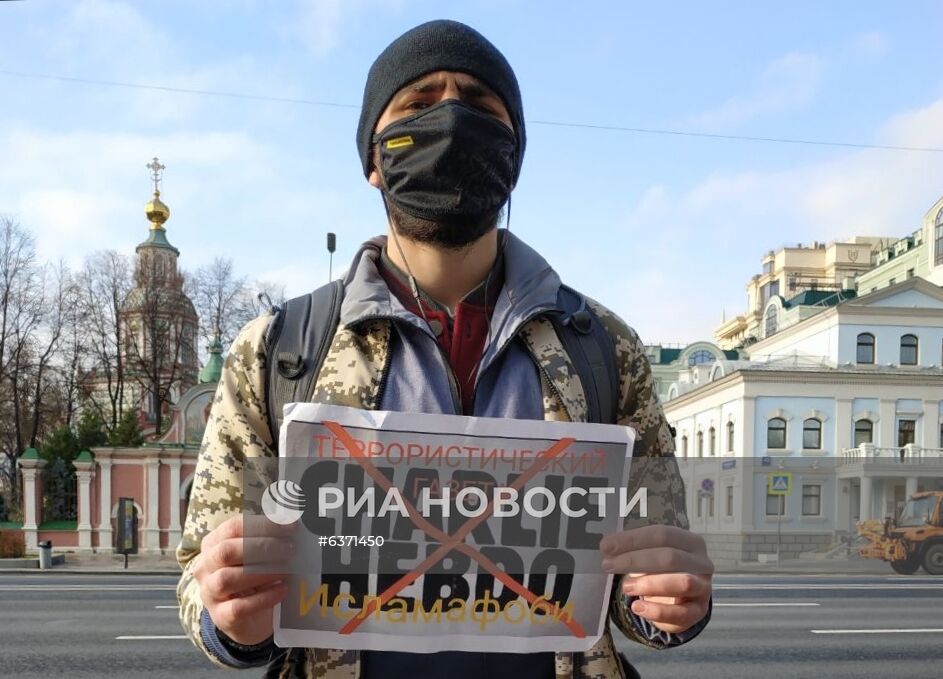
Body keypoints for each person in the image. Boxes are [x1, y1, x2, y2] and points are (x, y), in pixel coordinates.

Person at [176, 19, 713, 679]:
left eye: (480, 105)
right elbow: (204, 570)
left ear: (512, 153)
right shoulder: (280, 348)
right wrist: (229, 619)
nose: (451, 117)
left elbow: (647, 575)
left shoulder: (602, 346)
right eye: (418, 102)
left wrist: (671, 603)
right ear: (373, 159)